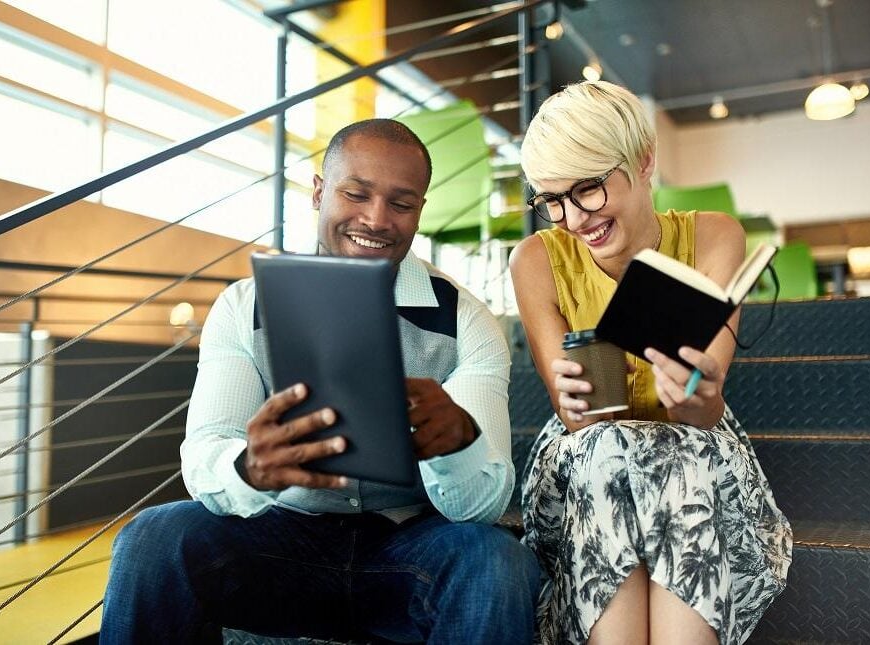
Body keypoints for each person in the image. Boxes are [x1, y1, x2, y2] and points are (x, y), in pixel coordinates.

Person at [100, 119, 541, 644]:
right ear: (318, 192)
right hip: (279, 540)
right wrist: (249, 469)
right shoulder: (245, 307)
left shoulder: (466, 320)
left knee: (497, 560)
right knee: (152, 538)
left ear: (419, 211)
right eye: (356, 194)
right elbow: (204, 458)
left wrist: (459, 443)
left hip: (409, 550)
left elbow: (482, 507)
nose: (376, 220)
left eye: (401, 205)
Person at [508, 81, 792, 645]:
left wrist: (699, 393)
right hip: (588, 457)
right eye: (551, 200)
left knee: (672, 455)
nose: (571, 219)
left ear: (643, 161)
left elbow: (702, 413)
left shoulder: (713, 235)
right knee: (610, 449)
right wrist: (575, 397)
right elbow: (577, 423)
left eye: (587, 189)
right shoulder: (536, 259)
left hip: (691, 448)